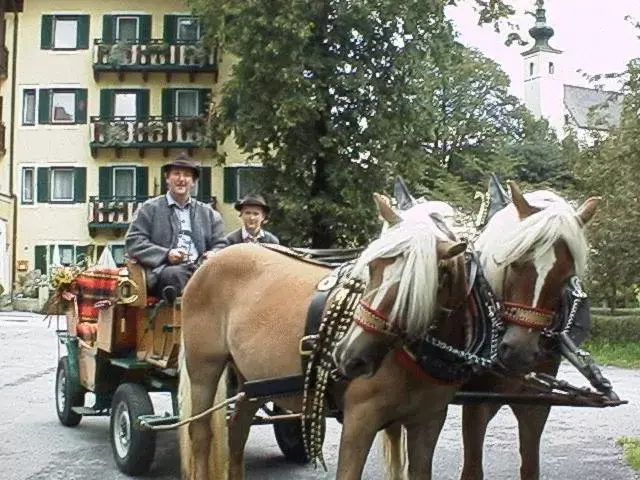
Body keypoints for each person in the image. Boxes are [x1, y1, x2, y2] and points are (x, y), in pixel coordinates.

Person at [125, 153, 228, 303]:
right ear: (167, 179)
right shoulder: (149, 209)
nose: (181, 179)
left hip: (202, 268)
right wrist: (166, 254)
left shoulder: (209, 214)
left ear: (193, 182)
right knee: (175, 275)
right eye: (176, 174)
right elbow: (133, 242)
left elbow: (221, 244)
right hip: (164, 272)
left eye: (187, 175)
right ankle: (187, 319)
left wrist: (213, 254)